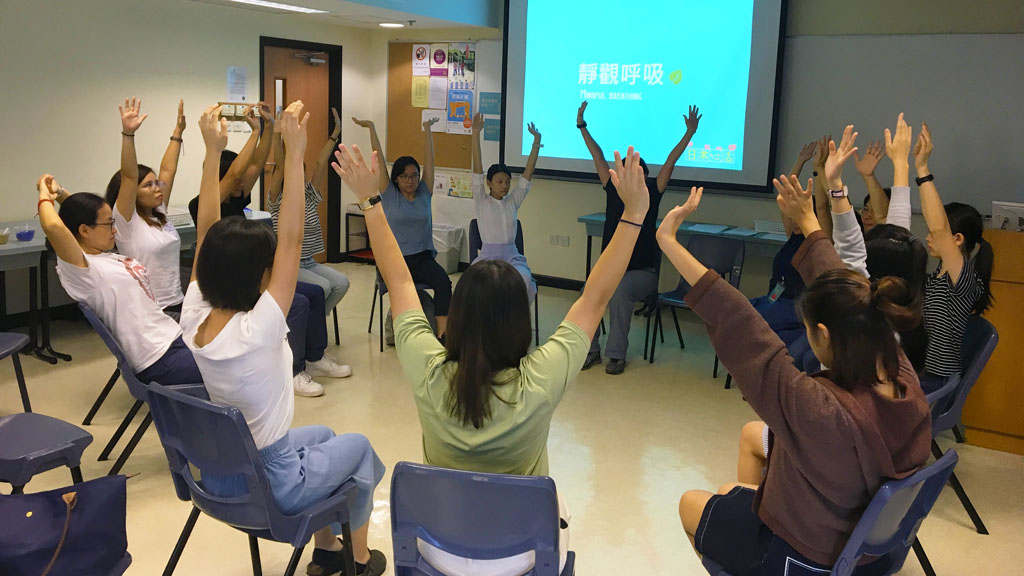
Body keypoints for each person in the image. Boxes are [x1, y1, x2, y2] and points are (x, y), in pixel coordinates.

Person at [333, 140, 652, 576]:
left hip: (434, 550)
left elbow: (401, 283)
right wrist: (634, 215)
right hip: (517, 557)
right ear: (520, 323)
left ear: (458, 318)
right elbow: (594, 300)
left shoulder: (429, 370)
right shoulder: (540, 379)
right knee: (559, 504)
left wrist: (370, 201)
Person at [669, 145, 931, 574]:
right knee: (731, 487)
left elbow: (742, 328)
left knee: (691, 503)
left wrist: (668, 241)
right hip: (868, 553)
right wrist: (810, 222)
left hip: (804, 556)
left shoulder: (819, 408)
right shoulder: (899, 369)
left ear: (823, 336)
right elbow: (840, 285)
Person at [183, 102, 386, 576]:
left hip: (222, 470)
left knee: (325, 436)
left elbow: (207, 233)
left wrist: (212, 153)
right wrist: (294, 153)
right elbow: (292, 239)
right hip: (271, 480)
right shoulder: (258, 330)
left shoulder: (193, 320)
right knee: (357, 449)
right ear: (259, 277)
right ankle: (358, 560)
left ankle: (326, 550)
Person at [36, 175, 202, 386]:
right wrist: (44, 195)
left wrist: (60, 193)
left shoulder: (102, 253)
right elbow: (54, 227)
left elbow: (79, 214)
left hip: (172, 337)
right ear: (84, 231)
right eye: (109, 224)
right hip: (157, 358)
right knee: (241, 365)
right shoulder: (84, 270)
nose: (115, 229)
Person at [577, 101, 701, 374]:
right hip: (612, 269)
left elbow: (670, 161)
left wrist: (689, 134)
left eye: (638, 173)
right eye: (626, 172)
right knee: (590, 289)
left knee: (619, 292)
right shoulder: (612, 190)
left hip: (642, 273)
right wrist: (582, 126)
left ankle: (616, 355)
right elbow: (597, 156)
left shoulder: (652, 193)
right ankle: (591, 350)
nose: (632, 177)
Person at [911, 121, 994, 395]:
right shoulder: (939, 275)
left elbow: (938, 228)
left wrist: (922, 170)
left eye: (943, 234)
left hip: (934, 380)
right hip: (919, 372)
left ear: (957, 240)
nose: (930, 236)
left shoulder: (965, 280)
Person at [352, 116, 453, 337]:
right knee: (407, 295)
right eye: (404, 176)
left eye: (414, 175)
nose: (411, 180)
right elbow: (378, 160)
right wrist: (371, 127)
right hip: (394, 260)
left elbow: (430, 160)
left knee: (444, 283)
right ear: (396, 179)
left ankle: (443, 336)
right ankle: (395, 324)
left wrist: (427, 130)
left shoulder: (424, 193)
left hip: (422, 258)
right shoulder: (389, 194)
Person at [103, 97, 187, 316]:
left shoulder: (159, 212)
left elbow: (168, 170)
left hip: (176, 302)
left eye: (156, 183)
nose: (157, 187)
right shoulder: (126, 223)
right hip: (150, 309)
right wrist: (128, 134)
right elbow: (130, 177)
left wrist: (178, 132)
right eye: (148, 185)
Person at [268, 106, 350, 315]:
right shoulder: (278, 199)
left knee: (341, 283)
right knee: (322, 287)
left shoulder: (309, 194)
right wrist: (277, 134)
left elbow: (322, 163)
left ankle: (312, 323)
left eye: (302, 172)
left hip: (309, 262)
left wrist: (335, 134)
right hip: (288, 264)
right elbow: (279, 165)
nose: (301, 176)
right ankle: (310, 327)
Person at [470, 112, 541, 300]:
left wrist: (536, 143)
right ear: (489, 183)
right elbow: (477, 169)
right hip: (487, 258)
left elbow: (527, 174)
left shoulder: (512, 201)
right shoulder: (482, 200)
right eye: (500, 181)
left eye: (508, 181)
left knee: (524, 280)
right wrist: (475, 133)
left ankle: (516, 323)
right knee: (479, 286)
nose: (505, 186)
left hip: (512, 257)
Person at [186, 102, 275, 222]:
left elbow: (256, 164)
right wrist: (254, 134)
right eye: (239, 180)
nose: (242, 183)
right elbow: (234, 175)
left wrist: (268, 124)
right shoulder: (201, 203)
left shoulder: (236, 197)